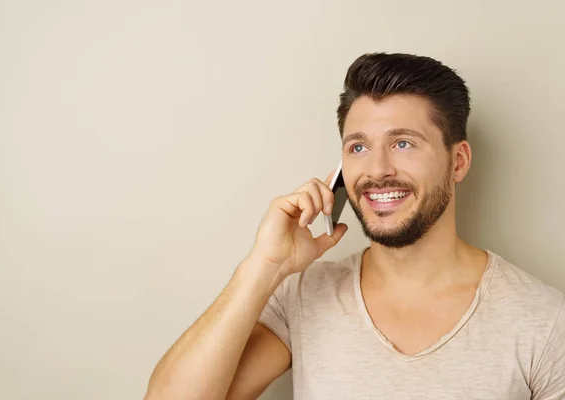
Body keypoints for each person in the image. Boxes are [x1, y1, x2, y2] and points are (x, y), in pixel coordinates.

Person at [143, 53, 565, 400]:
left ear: (458, 161)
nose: (377, 170)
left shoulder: (544, 322)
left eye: (403, 143)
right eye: (358, 146)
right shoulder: (305, 295)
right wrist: (263, 267)